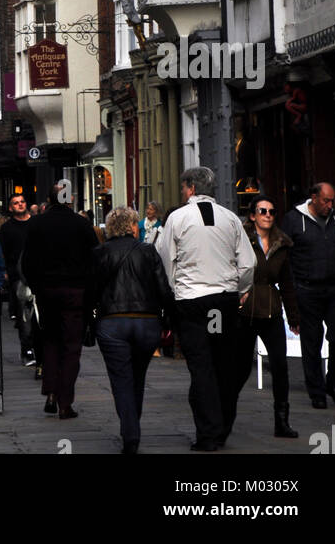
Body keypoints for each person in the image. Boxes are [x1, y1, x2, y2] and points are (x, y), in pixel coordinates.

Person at [158, 166, 256, 451]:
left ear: (189, 187)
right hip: (222, 302)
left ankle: (208, 433)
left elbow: (167, 261)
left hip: (192, 302)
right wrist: (239, 288)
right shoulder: (230, 218)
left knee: (201, 368)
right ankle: (221, 426)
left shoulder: (177, 218)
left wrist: (175, 293)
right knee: (221, 363)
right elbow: (248, 263)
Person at [90, 206, 173, 454]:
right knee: (138, 376)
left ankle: (130, 432)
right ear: (133, 226)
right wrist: (168, 321)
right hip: (146, 322)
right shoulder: (148, 252)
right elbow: (163, 288)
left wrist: (89, 322)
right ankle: (132, 424)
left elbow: (91, 291)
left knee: (121, 380)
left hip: (113, 322)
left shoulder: (100, 253)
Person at [21, 180, 99, 418]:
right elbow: (95, 261)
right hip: (75, 293)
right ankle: (65, 402)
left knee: (51, 342)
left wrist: (36, 286)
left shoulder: (37, 224)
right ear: (70, 199)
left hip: (47, 291)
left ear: (49, 200)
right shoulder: (82, 225)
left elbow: (28, 262)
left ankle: (51, 392)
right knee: (71, 347)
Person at [228, 197, 300, 438]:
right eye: (262, 211)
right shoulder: (242, 240)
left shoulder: (281, 243)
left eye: (271, 211)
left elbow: (287, 283)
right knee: (238, 370)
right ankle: (225, 419)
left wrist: (293, 316)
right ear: (253, 215)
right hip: (245, 312)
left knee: (280, 367)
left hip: (271, 310)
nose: (267, 215)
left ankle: (282, 422)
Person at [281, 181, 335, 408]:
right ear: (313, 197)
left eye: (332, 201)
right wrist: (292, 290)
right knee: (312, 340)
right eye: (325, 201)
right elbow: (284, 256)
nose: (329, 205)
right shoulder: (293, 220)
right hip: (307, 289)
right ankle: (316, 391)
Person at [0, 193, 35, 365]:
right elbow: (4, 252)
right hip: (17, 276)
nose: (20, 205)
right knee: (24, 315)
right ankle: (27, 349)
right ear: (11, 207)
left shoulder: (36, 223)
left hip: (38, 274)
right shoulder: (7, 228)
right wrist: (6, 272)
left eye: (22, 202)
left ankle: (37, 347)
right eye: (16, 203)